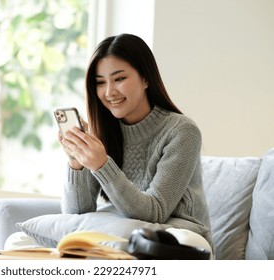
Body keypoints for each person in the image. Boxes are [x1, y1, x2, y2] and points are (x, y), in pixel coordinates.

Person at [58, 33, 213, 253]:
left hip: (178, 238)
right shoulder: (103, 132)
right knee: (21, 242)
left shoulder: (182, 131)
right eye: (100, 82)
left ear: (146, 78)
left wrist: (102, 165)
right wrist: (77, 162)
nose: (109, 92)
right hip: (126, 231)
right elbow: (76, 213)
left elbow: (155, 212)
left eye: (119, 79)